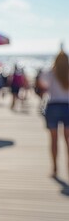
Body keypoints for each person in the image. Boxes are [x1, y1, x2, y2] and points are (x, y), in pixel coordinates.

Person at [38, 50, 69, 178]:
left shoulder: (50, 72)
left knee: (54, 140)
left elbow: (42, 84)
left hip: (53, 105)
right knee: (68, 140)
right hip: (67, 106)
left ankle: (55, 168)